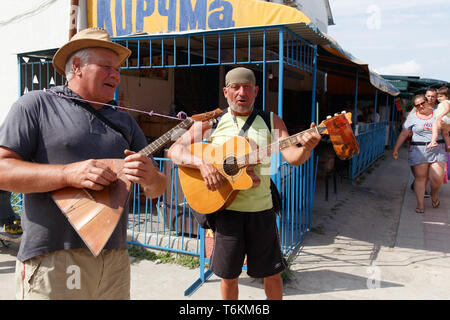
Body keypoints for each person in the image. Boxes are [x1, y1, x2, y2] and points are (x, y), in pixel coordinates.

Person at [0, 27, 167, 299]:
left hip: (114, 258)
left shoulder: (124, 122)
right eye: (106, 67)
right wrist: (67, 174)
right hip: (53, 256)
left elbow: (158, 188)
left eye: (117, 69)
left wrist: (151, 178)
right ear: (77, 66)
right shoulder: (36, 105)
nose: (116, 75)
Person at [167, 67, 321, 300]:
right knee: (228, 276)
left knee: (272, 275)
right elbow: (175, 150)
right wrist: (201, 163)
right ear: (226, 92)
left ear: (256, 91)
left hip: (262, 212)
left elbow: (293, 158)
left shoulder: (271, 120)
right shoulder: (212, 122)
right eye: (235, 87)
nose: (241, 92)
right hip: (226, 212)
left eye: (247, 87)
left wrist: (307, 147)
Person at [392, 94, 447, 214]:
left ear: (427, 101)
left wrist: (445, 126)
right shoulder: (412, 118)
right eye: (417, 105)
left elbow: (447, 128)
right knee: (420, 178)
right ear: (415, 106)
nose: (421, 106)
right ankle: (420, 204)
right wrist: (396, 149)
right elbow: (403, 134)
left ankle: (434, 195)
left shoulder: (438, 113)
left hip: (438, 148)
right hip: (419, 149)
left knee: (437, 179)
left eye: (423, 103)